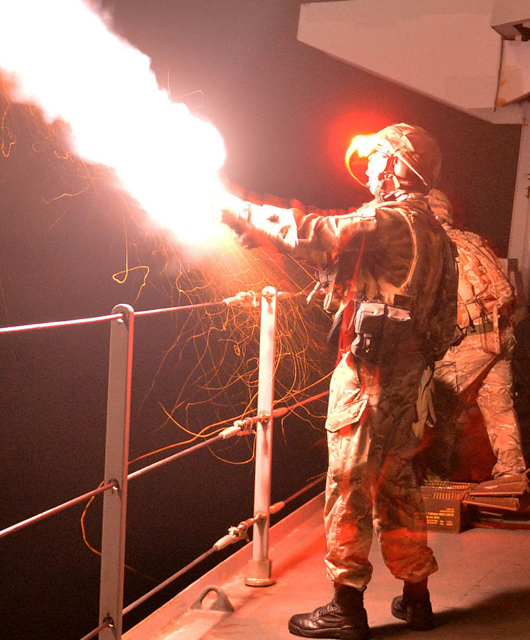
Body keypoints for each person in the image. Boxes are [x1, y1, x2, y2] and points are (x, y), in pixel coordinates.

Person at [221, 124, 458, 640]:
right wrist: (266, 234)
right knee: (396, 483)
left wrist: (243, 211)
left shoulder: (391, 219)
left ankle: (345, 608)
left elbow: (316, 233)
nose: (370, 168)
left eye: (377, 158)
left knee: (348, 484)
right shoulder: (433, 233)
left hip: (370, 377)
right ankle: (417, 597)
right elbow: (345, 266)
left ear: (398, 165)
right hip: (406, 381)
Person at [423, 189, 529, 484]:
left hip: (471, 341)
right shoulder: (471, 239)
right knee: (499, 407)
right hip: (501, 334)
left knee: (440, 409)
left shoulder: (433, 245)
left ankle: (434, 479)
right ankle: (512, 472)